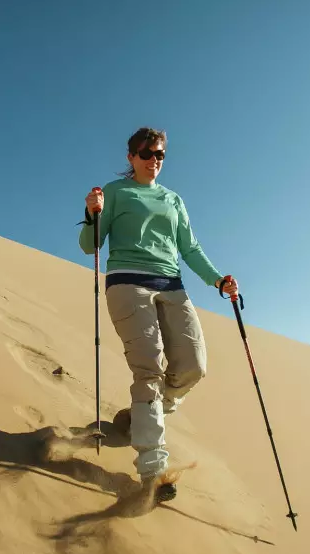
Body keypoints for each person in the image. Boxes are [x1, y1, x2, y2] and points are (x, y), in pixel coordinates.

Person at [78, 127, 239, 501]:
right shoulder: (115, 192)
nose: (154, 160)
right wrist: (91, 213)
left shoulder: (173, 199)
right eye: (147, 153)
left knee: (193, 365)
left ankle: (140, 419)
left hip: (172, 286)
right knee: (149, 369)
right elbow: (90, 245)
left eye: (160, 154)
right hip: (127, 283)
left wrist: (218, 281)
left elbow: (190, 249)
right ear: (131, 157)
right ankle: (153, 470)